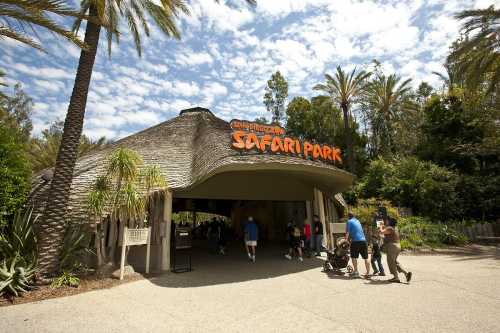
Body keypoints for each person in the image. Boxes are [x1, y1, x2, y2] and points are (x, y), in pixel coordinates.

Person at [379, 217, 412, 283]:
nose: (387, 221)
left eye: (388, 220)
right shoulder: (394, 228)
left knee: (391, 262)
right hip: (397, 246)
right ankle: (406, 273)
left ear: (390, 222)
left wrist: (381, 225)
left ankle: (396, 278)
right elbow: (385, 235)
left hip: (392, 247)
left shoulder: (390, 228)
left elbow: (381, 231)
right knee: (394, 261)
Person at [345, 212, 370, 278]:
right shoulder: (358, 221)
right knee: (366, 258)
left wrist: (345, 240)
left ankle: (356, 272)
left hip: (355, 241)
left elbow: (347, 232)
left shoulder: (349, 221)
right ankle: (368, 273)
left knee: (354, 257)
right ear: (354, 216)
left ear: (348, 216)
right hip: (363, 241)